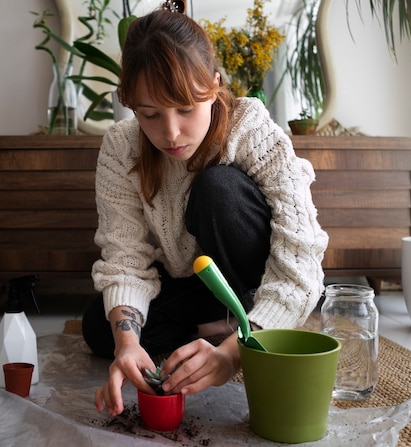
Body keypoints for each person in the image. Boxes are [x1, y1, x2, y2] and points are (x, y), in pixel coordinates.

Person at [82, 7, 329, 417]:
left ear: (214, 86)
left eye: (185, 108)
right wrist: (128, 344)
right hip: (190, 285)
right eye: (150, 114)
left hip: (249, 279)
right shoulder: (120, 146)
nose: (171, 132)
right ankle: (215, 330)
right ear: (130, 104)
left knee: (219, 189)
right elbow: (125, 259)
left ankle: (243, 328)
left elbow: (301, 263)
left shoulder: (251, 128)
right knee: (100, 326)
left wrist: (235, 358)